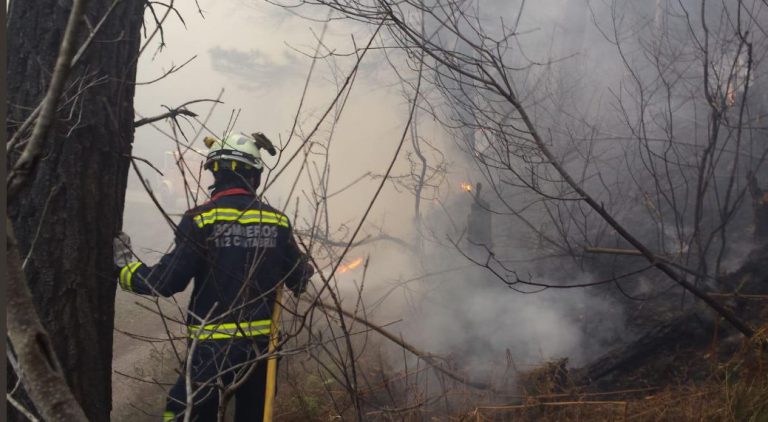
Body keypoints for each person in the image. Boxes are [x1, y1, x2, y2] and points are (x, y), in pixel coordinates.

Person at [114, 132, 314, 421]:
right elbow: (298, 281)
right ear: (254, 175)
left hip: (211, 352)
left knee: (183, 414)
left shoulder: (201, 219)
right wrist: (303, 267)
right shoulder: (277, 221)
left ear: (216, 172)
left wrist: (124, 269)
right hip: (262, 352)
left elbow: (165, 281)